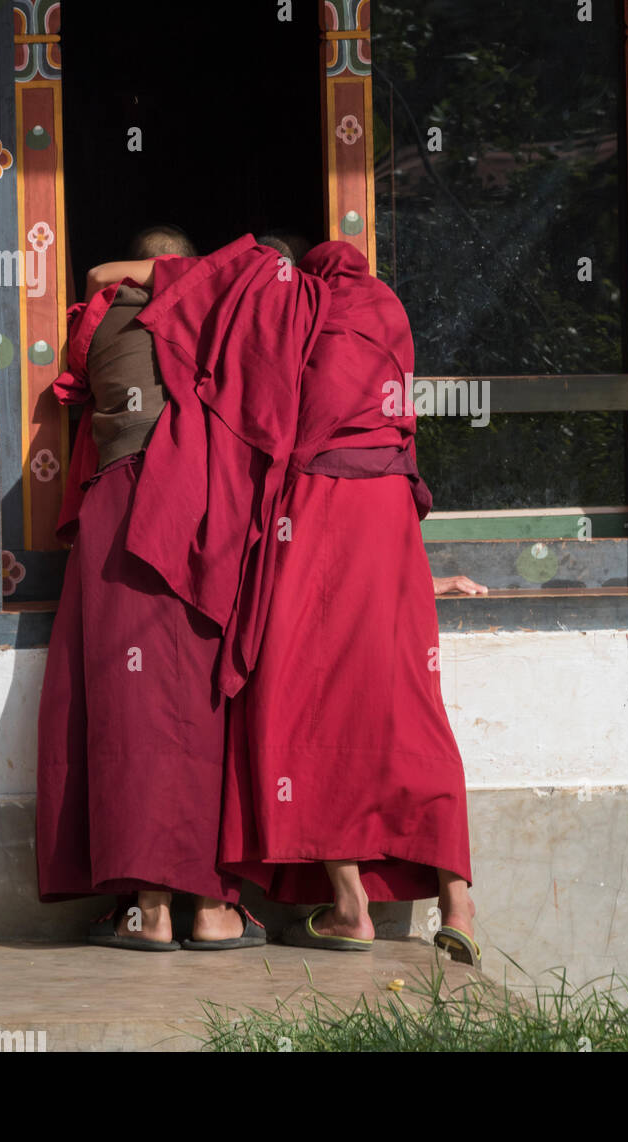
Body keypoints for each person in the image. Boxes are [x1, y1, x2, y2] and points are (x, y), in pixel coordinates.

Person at [35, 225, 328, 950]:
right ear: (179, 266)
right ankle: (211, 909)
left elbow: (102, 274)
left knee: (125, 708)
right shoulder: (217, 298)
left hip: (114, 508)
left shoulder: (101, 320)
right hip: (195, 512)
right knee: (199, 709)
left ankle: (148, 910)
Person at [214, 239, 487, 964]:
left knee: (307, 699)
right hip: (390, 511)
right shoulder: (389, 309)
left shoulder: (304, 305)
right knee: (410, 707)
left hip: (318, 509)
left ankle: (349, 905)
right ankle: (457, 902)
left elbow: (267, 415)